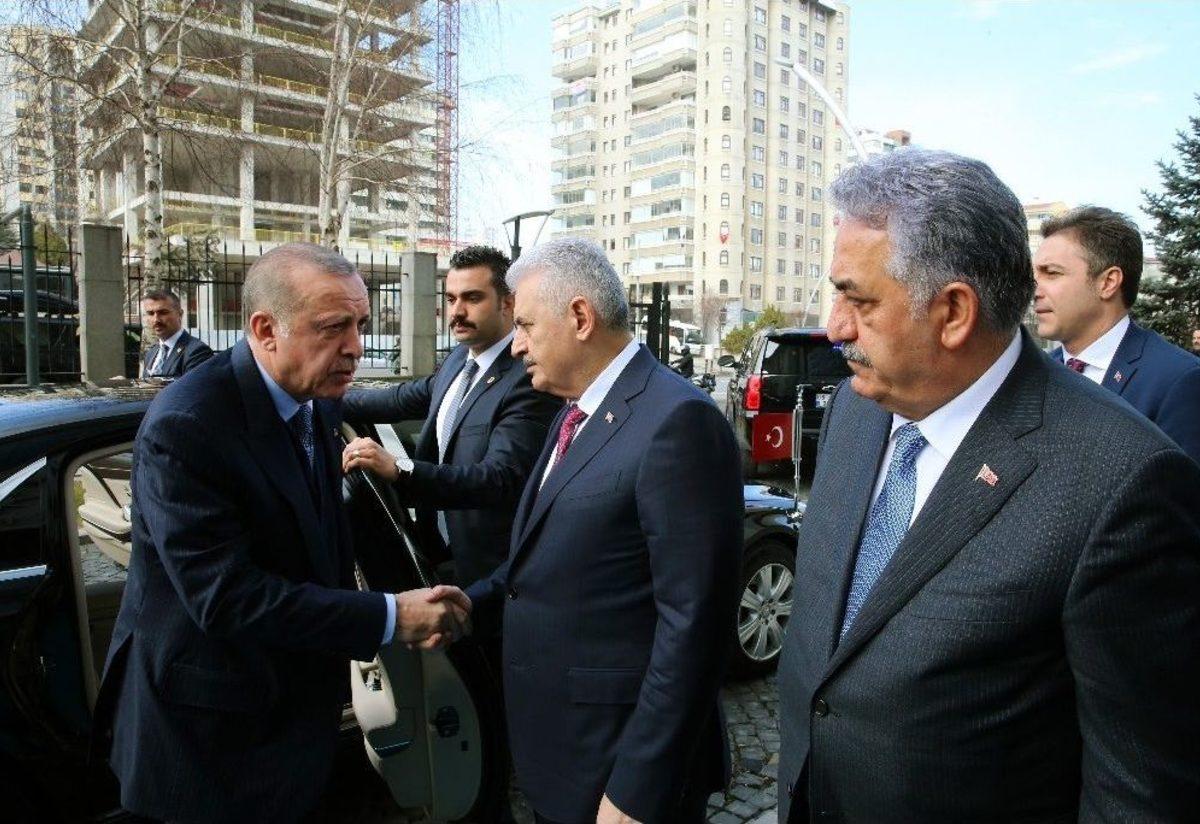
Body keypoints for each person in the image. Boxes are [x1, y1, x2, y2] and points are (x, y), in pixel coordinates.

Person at [776, 150, 1200, 823]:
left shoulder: (1122, 480)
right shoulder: (857, 408)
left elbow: (1138, 787)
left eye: (859, 299)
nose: (836, 328)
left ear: (953, 311)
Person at [94, 243, 470, 823]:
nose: (356, 346)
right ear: (266, 330)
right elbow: (226, 597)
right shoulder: (188, 425)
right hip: (210, 738)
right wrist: (390, 616)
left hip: (293, 719)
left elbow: (316, 540)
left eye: (361, 324)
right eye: (334, 327)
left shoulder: (315, 398)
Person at [452, 237, 743, 824]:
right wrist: (468, 602)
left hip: (619, 770)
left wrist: (638, 787)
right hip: (563, 752)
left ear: (580, 318)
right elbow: (547, 556)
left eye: (526, 326)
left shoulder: (678, 421)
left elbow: (693, 627)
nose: (517, 345)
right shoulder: (572, 408)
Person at [341, 245, 561, 589]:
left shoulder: (529, 379)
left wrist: (400, 470)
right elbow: (400, 399)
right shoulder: (460, 360)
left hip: (492, 572)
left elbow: (499, 479)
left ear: (508, 303)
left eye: (472, 298)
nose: (457, 311)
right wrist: (324, 397)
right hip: (437, 553)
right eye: (451, 298)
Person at [1033, 205, 1200, 463]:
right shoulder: (1036, 373)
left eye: (1051, 273)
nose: (1035, 291)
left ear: (1108, 282)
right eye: (1034, 276)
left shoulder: (1177, 380)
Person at [139, 288, 213, 378]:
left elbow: (192, 386)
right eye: (150, 313)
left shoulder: (197, 352)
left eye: (163, 313)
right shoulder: (151, 353)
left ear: (180, 314)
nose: (156, 320)